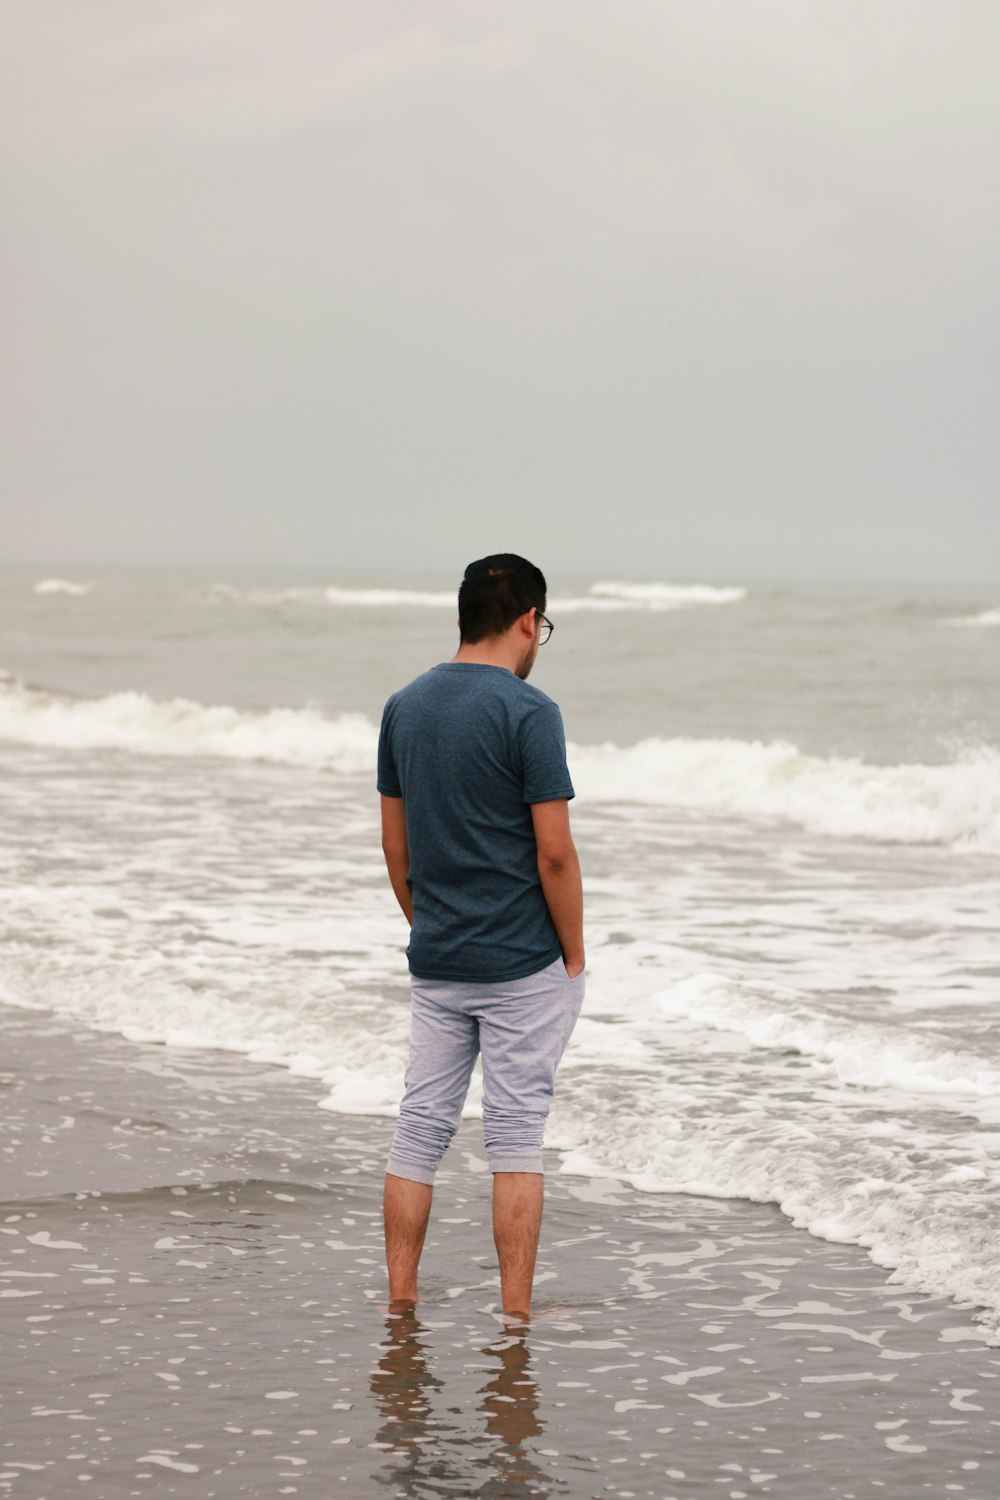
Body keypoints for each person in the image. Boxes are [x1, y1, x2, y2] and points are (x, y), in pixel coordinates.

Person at [377, 553, 585, 1321]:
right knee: (517, 1138)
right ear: (529, 620)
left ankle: (402, 1299)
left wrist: (429, 925)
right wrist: (575, 954)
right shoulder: (530, 713)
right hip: (520, 960)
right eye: (544, 628)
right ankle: (515, 1316)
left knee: (419, 1130)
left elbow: (397, 851)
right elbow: (555, 852)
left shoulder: (405, 706)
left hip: (438, 955)